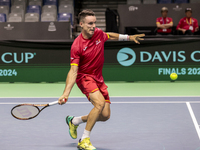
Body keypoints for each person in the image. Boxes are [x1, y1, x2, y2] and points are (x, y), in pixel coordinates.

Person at [58, 9, 145, 150]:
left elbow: (109, 35)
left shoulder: (98, 33)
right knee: (98, 104)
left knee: (105, 115)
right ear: (81, 24)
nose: (93, 26)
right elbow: (73, 71)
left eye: (94, 23)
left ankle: (74, 121)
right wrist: (66, 93)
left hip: (98, 78)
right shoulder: (77, 45)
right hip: (85, 78)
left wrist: (128, 38)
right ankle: (84, 140)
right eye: (89, 24)